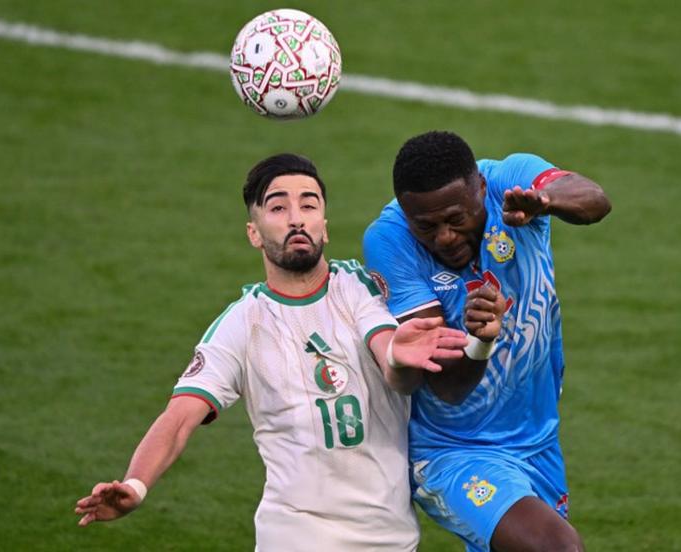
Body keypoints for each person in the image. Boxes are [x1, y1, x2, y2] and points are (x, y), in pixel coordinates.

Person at [75, 153, 469, 551]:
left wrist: (398, 356)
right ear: (254, 232)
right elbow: (179, 418)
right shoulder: (241, 325)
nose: (296, 218)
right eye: (278, 207)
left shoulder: (358, 288)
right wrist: (136, 484)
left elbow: (391, 359)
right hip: (294, 534)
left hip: (391, 537)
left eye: (309, 205)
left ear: (324, 228)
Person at [363, 131, 612, 552]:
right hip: (452, 450)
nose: (444, 237)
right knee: (555, 548)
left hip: (537, 436)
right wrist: (480, 341)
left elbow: (595, 200)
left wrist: (547, 202)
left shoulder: (511, 179)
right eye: (426, 225)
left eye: (456, 219)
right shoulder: (389, 241)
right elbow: (446, 385)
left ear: (480, 187)